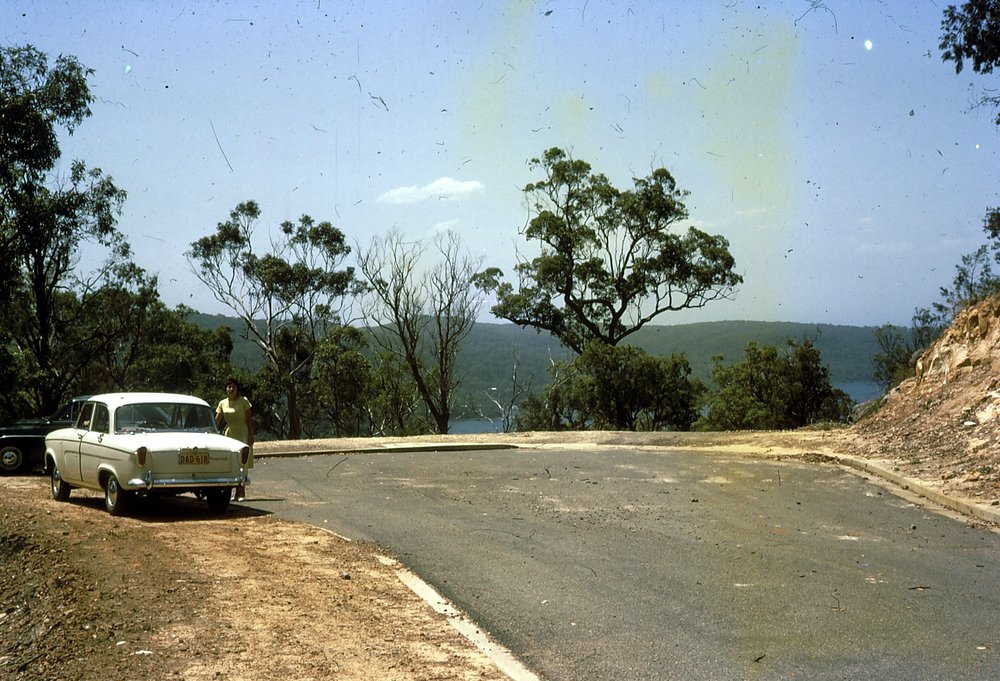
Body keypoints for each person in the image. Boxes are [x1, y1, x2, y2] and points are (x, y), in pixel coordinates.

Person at [216, 378, 254, 501]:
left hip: (242, 431)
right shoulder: (222, 403)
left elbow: (249, 419)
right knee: (231, 461)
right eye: (229, 387)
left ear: (237, 389)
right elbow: (217, 420)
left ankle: (241, 492)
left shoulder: (244, 401)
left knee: (242, 462)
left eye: (233, 387)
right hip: (229, 432)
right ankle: (232, 492)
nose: (231, 389)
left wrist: (251, 434)